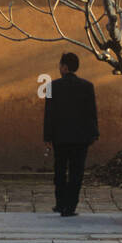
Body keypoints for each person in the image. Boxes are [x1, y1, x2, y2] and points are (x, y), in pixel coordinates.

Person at [42, 52, 99, 217]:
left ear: (64, 67)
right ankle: (70, 206)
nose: (59, 68)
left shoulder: (53, 86)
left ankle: (60, 204)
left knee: (60, 171)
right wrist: (93, 134)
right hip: (81, 138)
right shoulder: (88, 86)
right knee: (76, 173)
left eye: (60, 66)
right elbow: (91, 113)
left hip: (60, 137)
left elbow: (49, 114)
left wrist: (47, 137)